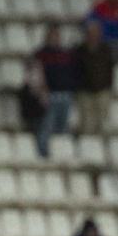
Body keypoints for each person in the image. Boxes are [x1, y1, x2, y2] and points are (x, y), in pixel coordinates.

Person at [34, 26, 76, 158]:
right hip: (50, 95)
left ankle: (59, 153)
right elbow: (36, 75)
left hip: (65, 94)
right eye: (52, 36)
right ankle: (43, 152)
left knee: (62, 127)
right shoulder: (41, 55)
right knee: (47, 125)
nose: (55, 39)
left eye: (56, 36)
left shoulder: (65, 55)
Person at [75, 20, 114, 135]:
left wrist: (107, 85)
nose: (93, 35)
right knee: (86, 122)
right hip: (85, 91)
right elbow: (77, 71)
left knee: (102, 122)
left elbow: (110, 69)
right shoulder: (80, 50)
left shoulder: (106, 50)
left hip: (102, 89)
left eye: (96, 32)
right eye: (91, 32)